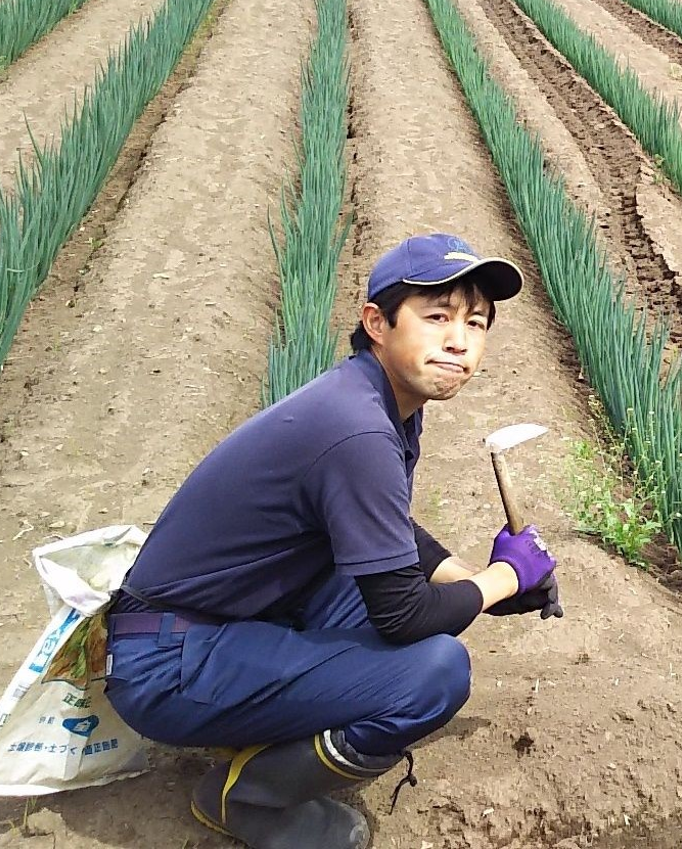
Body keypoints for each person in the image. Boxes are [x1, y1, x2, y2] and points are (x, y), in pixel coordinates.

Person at [104, 233, 556, 849]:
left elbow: (386, 533)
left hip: (222, 620)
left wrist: (477, 583)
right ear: (377, 322)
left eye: (476, 323)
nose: (460, 340)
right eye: (437, 317)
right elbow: (403, 618)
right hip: (165, 662)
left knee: (384, 583)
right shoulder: (358, 430)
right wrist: (504, 577)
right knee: (434, 671)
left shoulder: (379, 397)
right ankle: (246, 800)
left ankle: (265, 716)